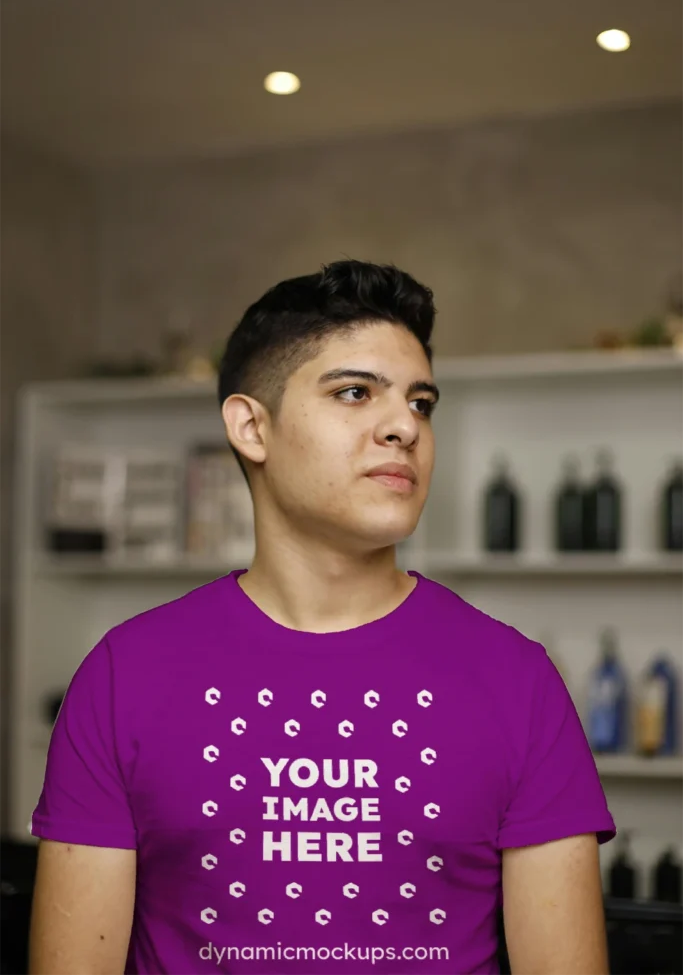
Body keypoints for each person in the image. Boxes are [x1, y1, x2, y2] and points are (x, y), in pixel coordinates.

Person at [28, 260, 616, 974]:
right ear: (251, 426)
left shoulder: (516, 679)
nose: (403, 424)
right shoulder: (126, 674)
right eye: (354, 392)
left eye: (421, 403)